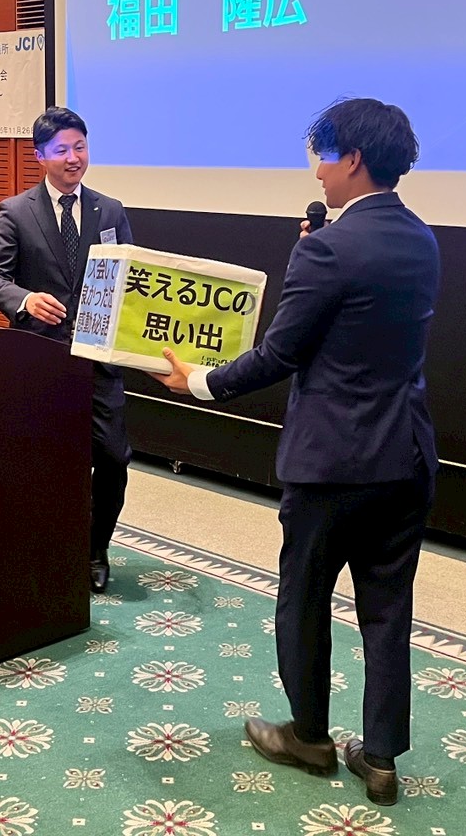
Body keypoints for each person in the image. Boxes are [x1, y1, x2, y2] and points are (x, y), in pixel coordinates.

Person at [152, 97, 438, 806]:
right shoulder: (421, 239)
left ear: (353, 159)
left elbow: (281, 353)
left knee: (304, 599)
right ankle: (379, 757)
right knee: (387, 610)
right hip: (405, 456)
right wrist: (311, 248)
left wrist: (200, 382)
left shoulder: (328, 250)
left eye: (324, 156)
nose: (317, 171)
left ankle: (309, 736)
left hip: (331, 464)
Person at [0, 106, 134, 595]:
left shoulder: (110, 210)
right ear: (40, 156)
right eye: (62, 150)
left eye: (80, 147)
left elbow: (129, 277)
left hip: (98, 360)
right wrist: (25, 300)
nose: (74, 158)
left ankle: (95, 548)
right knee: (42, 460)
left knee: (113, 459)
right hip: (40, 359)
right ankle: (42, 545)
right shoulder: (16, 212)